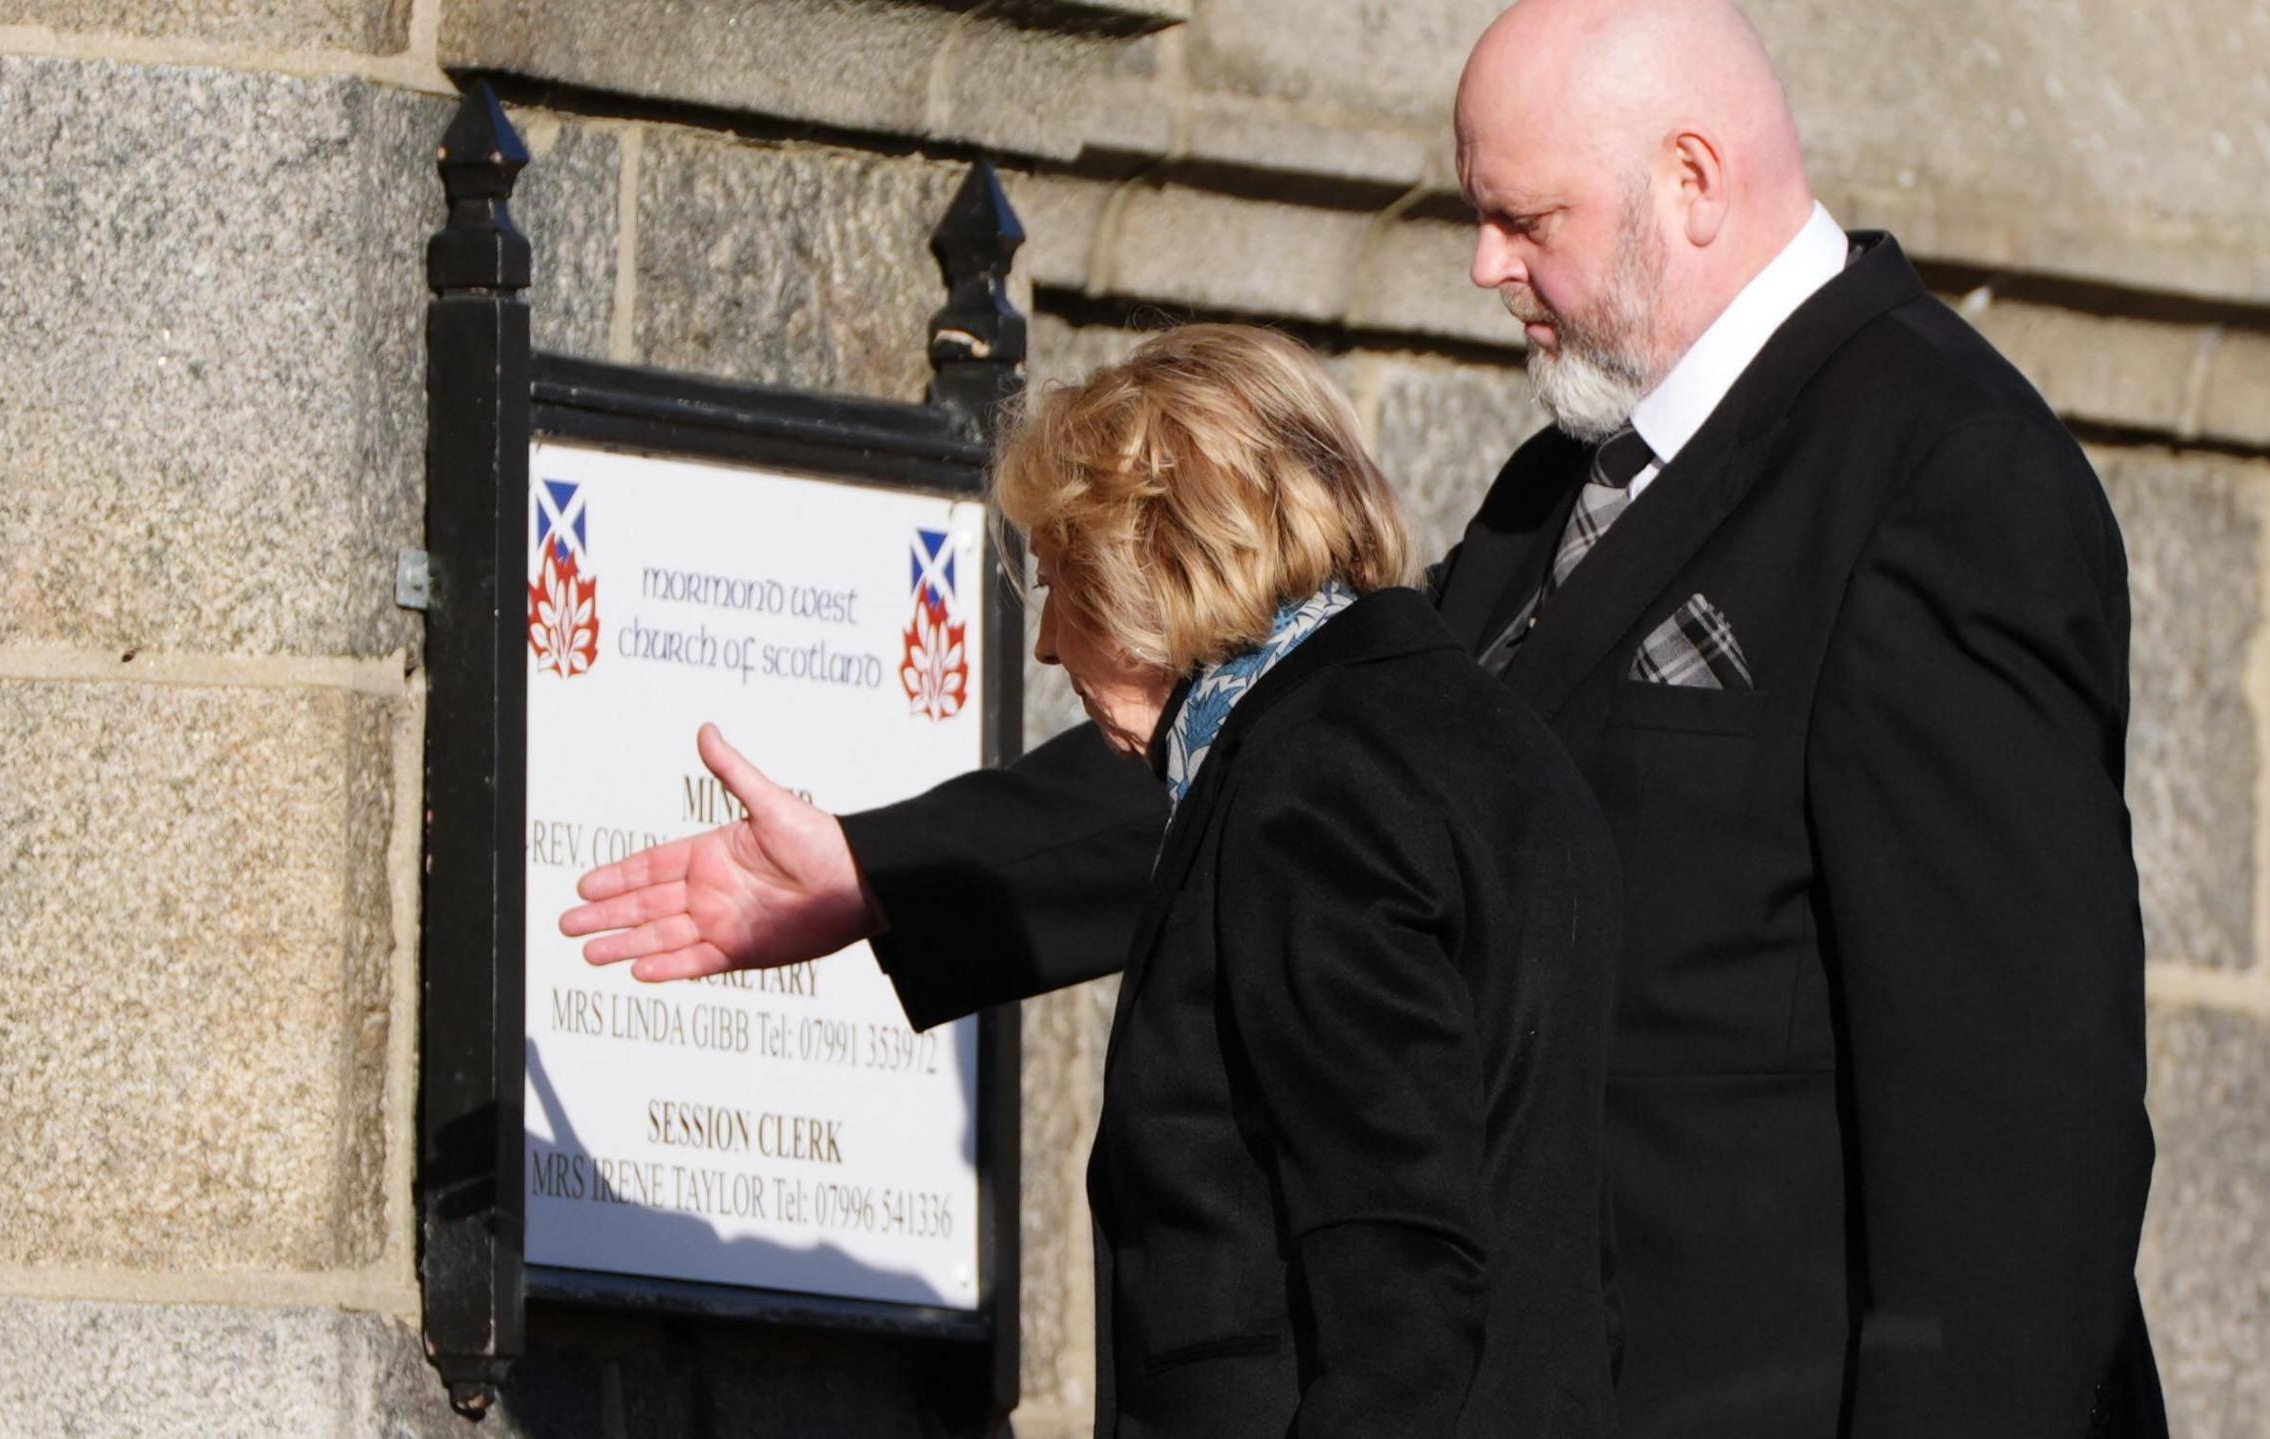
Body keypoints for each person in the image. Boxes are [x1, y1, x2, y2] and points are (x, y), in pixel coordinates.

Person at [567, 0, 2167, 1433]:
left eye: (1520, 216)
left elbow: (2016, 1125)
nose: (1483, 265)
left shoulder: (1943, 475)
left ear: (1692, 180)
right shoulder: (1571, 487)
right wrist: (886, 869)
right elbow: (1316, 774)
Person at [571, 326, 1621, 1437]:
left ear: (1155, 557)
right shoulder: (1481, 742)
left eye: (1060, 579)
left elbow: (1399, 1272)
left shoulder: (1311, 788)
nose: (1048, 645)